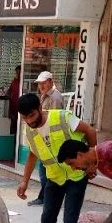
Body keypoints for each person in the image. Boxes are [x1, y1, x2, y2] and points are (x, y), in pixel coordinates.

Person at [16, 93, 97, 223]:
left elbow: (90, 131)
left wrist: (93, 163)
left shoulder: (62, 117)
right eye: (25, 118)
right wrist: (24, 181)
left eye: (31, 116)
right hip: (54, 178)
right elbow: (33, 156)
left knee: (69, 222)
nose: (29, 121)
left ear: (39, 108)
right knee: (47, 219)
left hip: (76, 176)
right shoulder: (30, 131)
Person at [27, 71, 65, 207]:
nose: (41, 86)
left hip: (50, 140)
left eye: (44, 83)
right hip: (43, 139)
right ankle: (45, 197)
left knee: (46, 172)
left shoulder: (55, 97)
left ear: (50, 81)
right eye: (39, 84)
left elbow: (54, 120)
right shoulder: (45, 96)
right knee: (44, 172)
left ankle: (47, 198)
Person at [6, 65, 21, 135]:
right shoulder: (14, 82)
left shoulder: (22, 83)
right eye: (16, 72)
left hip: (21, 109)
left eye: (19, 72)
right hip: (13, 108)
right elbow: (8, 92)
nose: (17, 74)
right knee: (12, 128)